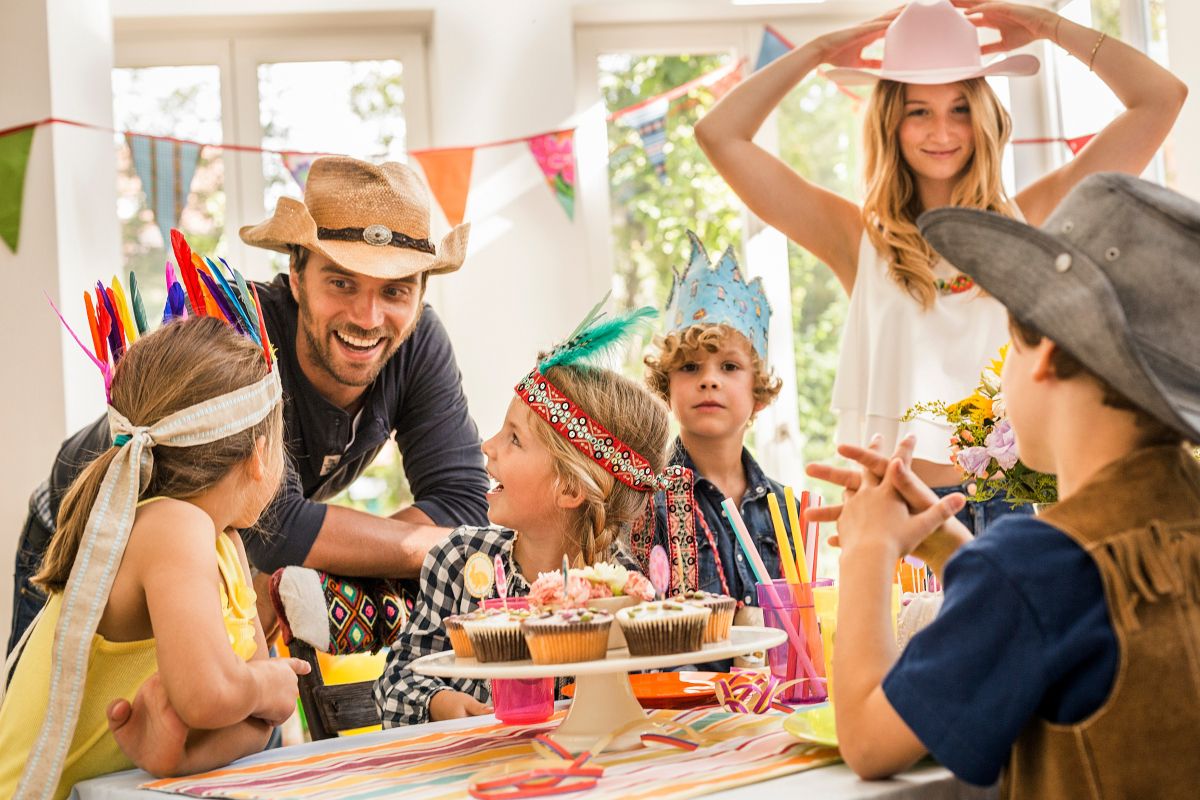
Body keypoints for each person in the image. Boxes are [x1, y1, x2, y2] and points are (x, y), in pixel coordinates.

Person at [695, 0, 1187, 534]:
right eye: (919, 111)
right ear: (891, 121)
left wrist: (1048, 26)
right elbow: (719, 134)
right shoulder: (858, 239)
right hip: (902, 511)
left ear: (984, 116)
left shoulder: (1030, 222)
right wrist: (819, 50)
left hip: (1016, 507)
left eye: (959, 108)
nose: (942, 132)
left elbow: (1161, 98)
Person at [807, 173, 1200, 797]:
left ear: (1045, 353)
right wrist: (951, 548)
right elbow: (1064, 602)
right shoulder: (1167, 522)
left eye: (1006, 342)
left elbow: (869, 742)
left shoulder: (1034, 568)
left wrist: (866, 550)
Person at [9, 156, 490, 652]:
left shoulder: (418, 344)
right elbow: (274, 526)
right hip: (76, 539)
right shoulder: (234, 332)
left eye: (394, 291)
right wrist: (451, 550)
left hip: (206, 556)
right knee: (50, 704)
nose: (368, 317)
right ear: (297, 275)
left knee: (219, 700)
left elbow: (463, 505)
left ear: (420, 294)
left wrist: (318, 560)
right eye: (341, 282)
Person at [0, 298, 309, 797]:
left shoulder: (225, 545)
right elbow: (210, 695)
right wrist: (268, 684)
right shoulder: (170, 526)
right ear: (259, 455)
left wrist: (180, 754)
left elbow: (256, 725)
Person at [374, 301, 670, 725]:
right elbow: (396, 682)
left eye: (514, 439)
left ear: (570, 488)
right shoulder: (459, 560)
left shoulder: (625, 597)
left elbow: (642, 708)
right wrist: (439, 702)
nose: (487, 446)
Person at [637, 231, 787, 614]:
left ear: (758, 391)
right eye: (690, 367)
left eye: (729, 367)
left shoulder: (787, 510)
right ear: (667, 387)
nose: (709, 380)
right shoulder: (644, 506)